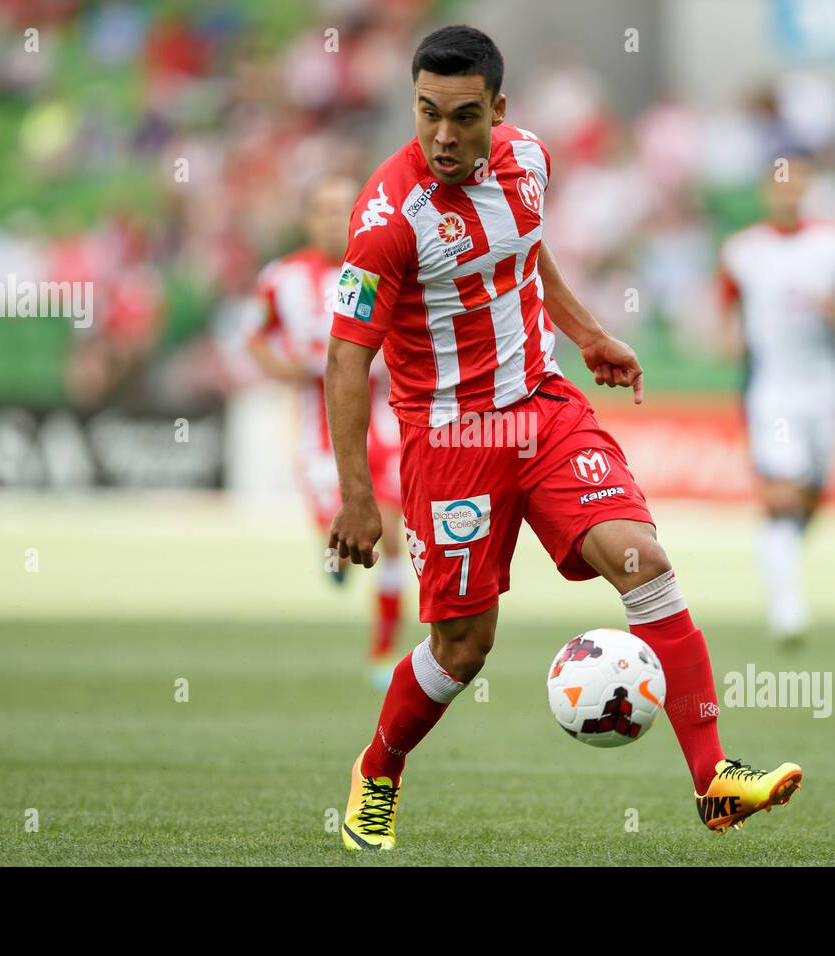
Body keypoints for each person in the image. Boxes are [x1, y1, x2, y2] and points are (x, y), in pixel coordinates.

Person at [326, 25, 802, 850]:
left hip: (543, 407)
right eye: (427, 114)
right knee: (463, 650)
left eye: (463, 116)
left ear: (498, 111)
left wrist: (584, 335)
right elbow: (343, 360)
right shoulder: (386, 221)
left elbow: (524, 250)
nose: (443, 136)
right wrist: (358, 499)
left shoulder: (529, 161)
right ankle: (379, 768)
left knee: (644, 561)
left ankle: (715, 781)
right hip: (452, 439)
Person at [250, 174, 405, 687]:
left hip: (381, 420)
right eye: (323, 209)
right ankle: (334, 553)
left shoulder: (377, 269)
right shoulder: (281, 277)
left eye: (345, 208)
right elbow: (256, 338)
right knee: (339, 536)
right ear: (308, 217)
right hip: (318, 428)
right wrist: (285, 369)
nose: (334, 219)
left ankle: (383, 651)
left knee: (391, 534)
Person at [716, 155, 835, 642]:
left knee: (813, 497)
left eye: (797, 184)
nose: (789, 193)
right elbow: (725, 311)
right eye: (780, 186)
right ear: (768, 191)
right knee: (782, 494)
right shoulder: (743, 250)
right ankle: (786, 607)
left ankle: (779, 561)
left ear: (807, 189)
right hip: (773, 389)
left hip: (827, 388)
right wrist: (731, 340)